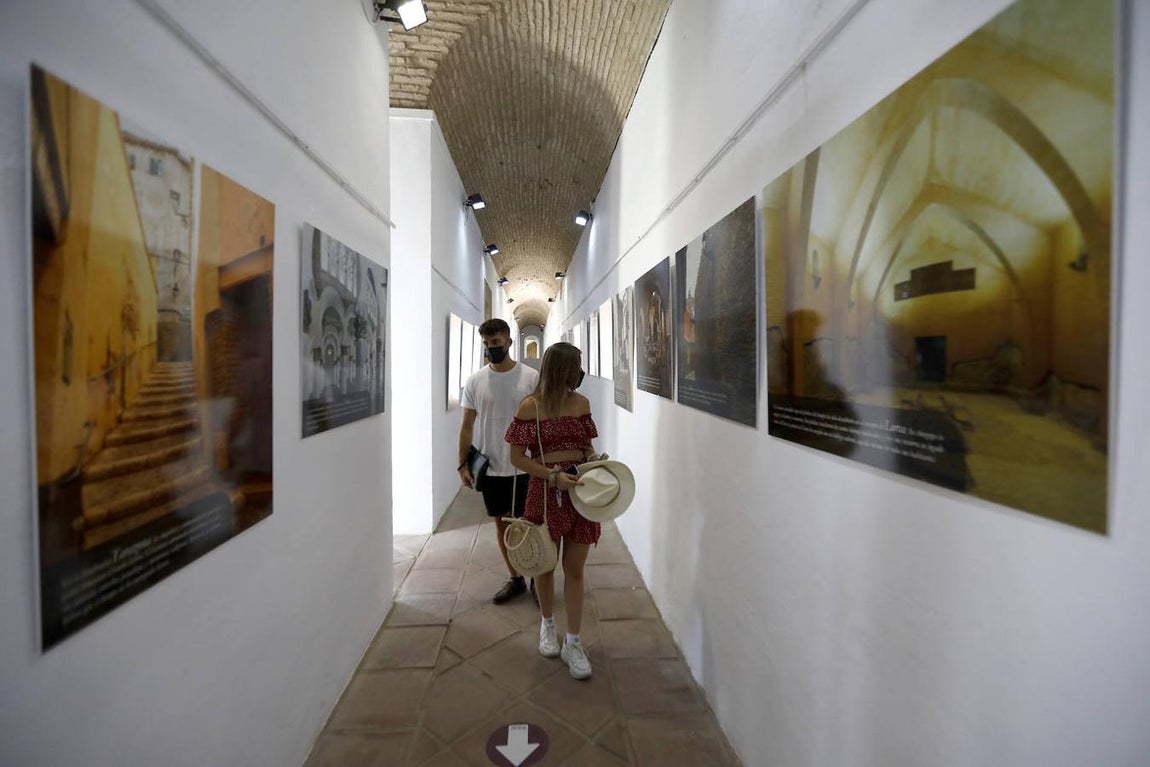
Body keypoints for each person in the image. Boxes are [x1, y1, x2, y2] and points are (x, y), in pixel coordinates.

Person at [505, 342, 601, 680]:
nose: (581, 369)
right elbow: (517, 457)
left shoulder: (581, 403)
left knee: (575, 568)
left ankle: (573, 641)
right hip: (543, 492)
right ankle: (547, 625)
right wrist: (551, 476)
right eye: (578, 363)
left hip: (578, 491)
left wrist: (592, 460)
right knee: (544, 564)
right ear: (563, 367)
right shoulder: (531, 406)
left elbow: (586, 444)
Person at [459, 318, 540, 604]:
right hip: (491, 467)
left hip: (526, 466)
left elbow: (542, 421)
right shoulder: (475, 381)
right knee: (502, 524)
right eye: (486, 343)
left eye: (495, 342)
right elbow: (467, 423)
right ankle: (516, 577)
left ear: (508, 341)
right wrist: (462, 464)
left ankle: (535, 577)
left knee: (530, 525)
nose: (491, 348)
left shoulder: (531, 378)